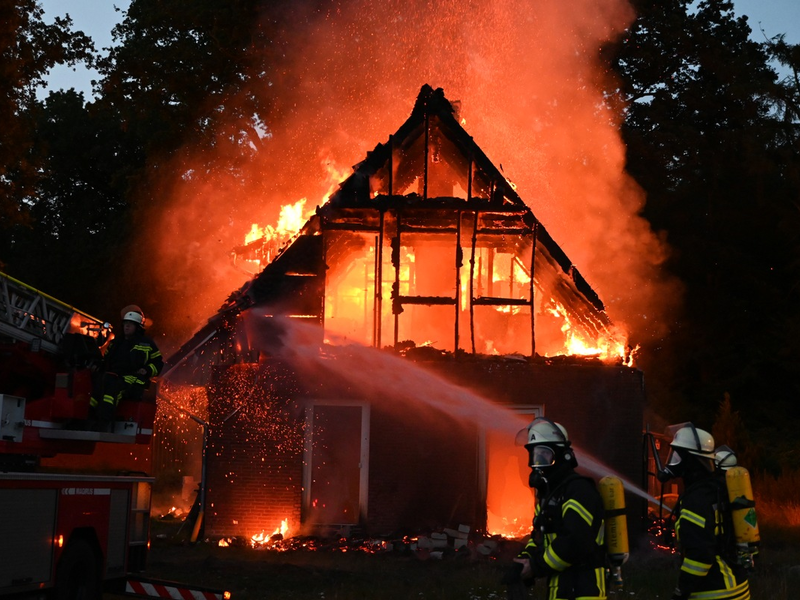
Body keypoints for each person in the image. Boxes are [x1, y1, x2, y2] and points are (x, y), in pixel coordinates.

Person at [510, 417, 607, 599]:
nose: (538, 463)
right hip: (561, 589)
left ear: (564, 456)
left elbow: (575, 542)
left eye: (544, 455)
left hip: (585, 590)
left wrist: (535, 567)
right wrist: (525, 560)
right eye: (535, 456)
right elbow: (539, 538)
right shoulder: (549, 497)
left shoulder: (579, 491)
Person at [657, 423, 750, 600]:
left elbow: (700, 556)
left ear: (691, 460)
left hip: (715, 592)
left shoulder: (697, 499)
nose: (672, 461)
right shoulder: (717, 488)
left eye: (677, 455)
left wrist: (681, 591)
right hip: (738, 587)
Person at [89, 306, 163, 432]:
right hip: (113, 375)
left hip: (133, 378)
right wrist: (99, 366)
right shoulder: (116, 342)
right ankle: (88, 420)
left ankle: (103, 423)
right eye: (125, 324)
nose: (127, 327)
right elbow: (106, 359)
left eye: (130, 324)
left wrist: (147, 370)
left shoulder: (147, 343)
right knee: (97, 389)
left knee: (112, 391)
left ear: (138, 327)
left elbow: (158, 363)